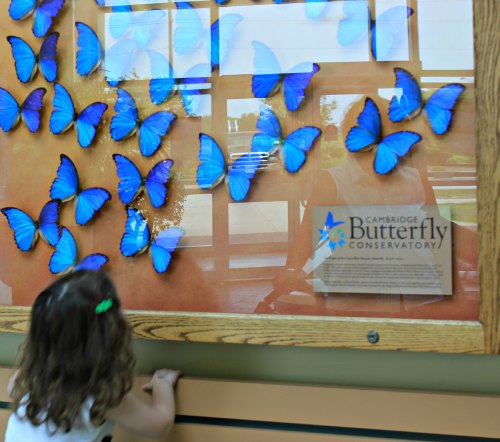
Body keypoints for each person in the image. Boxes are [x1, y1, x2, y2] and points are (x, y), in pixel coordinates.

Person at [4, 270, 181, 441]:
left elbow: (12, 388)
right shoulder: (98, 394)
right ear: (110, 332)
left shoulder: (29, 377)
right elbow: (161, 424)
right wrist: (162, 383)